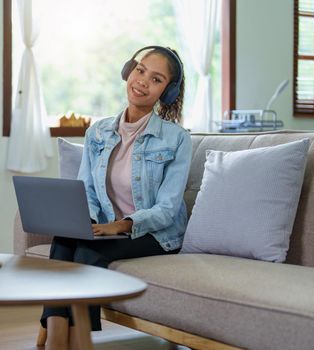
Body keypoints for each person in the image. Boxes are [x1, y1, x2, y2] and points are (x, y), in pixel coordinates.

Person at [39, 46, 192, 350]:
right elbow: (87, 190)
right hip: (109, 229)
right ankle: (57, 341)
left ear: (167, 91)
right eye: (140, 70)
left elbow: (167, 208)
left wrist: (120, 226)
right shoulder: (98, 132)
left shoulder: (177, 139)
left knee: (88, 254)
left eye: (157, 78)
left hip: (156, 235)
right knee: (65, 240)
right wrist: (91, 222)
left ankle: (81, 342)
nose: (143, 81)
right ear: (128, 71)